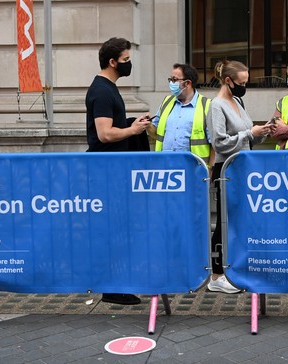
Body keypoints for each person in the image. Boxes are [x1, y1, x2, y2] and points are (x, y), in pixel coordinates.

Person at [85, 37, 151, 305]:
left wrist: (130, 123)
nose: (129, 64)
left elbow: (112, 125)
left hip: (113, 170)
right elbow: (104, 134)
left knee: (119, 227)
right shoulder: (101, 90)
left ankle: (117, 284)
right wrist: (132, 130)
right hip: (106, 171)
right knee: (113, 229)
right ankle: (112, 288)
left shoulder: (109, 88)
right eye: (125, 60)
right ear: (112, 62)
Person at [206, 60, 273, 293]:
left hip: (242, 170)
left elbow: (247, 137)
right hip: (226, 171)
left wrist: (262, 132)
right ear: (228, 80)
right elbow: (219, 143)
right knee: (224, 222)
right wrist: (249, 132)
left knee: (239, 220)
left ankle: (233, 267)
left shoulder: (237, 100)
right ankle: (216, 274)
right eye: (241, 82)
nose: (244, 86)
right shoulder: (216, 106)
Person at [148, 63, 215, 167]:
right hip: (166, 165)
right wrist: (147, 125)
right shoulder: (167, 101)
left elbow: (214, 144)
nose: (171, 83)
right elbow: (156, 133)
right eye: (170, 79)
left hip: (194, 168)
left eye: (174, 80)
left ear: (187, 83)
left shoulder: (207, 105)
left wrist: (210, 170)